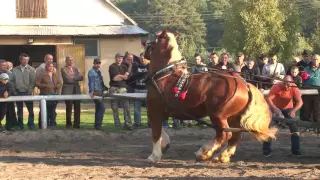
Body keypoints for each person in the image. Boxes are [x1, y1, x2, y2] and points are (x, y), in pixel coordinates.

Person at [262, 75, 303, 157]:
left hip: (289, 108)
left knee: (294, 128)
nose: (286, 86)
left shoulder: (294, 88)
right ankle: (266, 150)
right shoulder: (276, 86)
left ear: (292, 83)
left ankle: (296, 150)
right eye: (284, 83)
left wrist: (294, 110)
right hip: (277, 108)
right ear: (282, 82)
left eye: (288, 84)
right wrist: (274, 108)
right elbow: (269, 98)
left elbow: (300, 102)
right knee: (270, 127)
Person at [109, 53, 133, 130]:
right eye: (118, 58)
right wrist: (122, 76)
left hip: (123, 88)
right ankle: (117, 125)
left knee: (126, 107)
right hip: (114, 88)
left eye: (121, 58)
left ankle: (128, 123)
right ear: (115, 58)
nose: (119, 59)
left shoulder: (124, 66)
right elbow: (115, 78)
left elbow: (127, 77)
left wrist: (120, 76)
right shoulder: (112, 66)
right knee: (115, 108)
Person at [11, 53, 36, 129]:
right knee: (19, 110)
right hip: (18, 92)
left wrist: (30, 90)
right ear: (20, 60)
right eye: (24, 60)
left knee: (30, 110)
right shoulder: (14, 70)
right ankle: (20, 125)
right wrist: (14, 91)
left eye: (27, 60)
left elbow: (33, 82)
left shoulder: (31, 69)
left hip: (27, 92)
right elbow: (12, 82)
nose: (26, 61)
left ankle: (31, 124)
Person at [36, 62, 61, 128]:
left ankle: (52, 124)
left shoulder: (55, 75)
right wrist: (46, 86)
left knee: (53, 111)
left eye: (52, 66)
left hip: (54, 95)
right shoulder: (41, 75)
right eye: (49, 66)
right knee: (44, 111)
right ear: (46, 67)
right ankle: (43, 125)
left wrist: (56, 86)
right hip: (44, 95)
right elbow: (37, 84)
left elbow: (60, 83)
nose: (51, 68)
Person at [61, 56, 84, 129]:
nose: (70, 61)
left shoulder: (75, 68)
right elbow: (67, 79)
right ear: (66, 61)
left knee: (77, 107)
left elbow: (81, 77)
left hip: (76, 90)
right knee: (69, 108)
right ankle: (68, 124)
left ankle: (77, 124)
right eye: (69, 60)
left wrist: (73, 77)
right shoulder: (63, 69)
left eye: (72, 60)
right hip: (68, 91)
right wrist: (75, 77)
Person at [129, 53, 149, 127]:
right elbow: (131, 74)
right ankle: (137, 123)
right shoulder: (136, 66)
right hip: (137, 90)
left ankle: (150, 123)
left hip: (147, 91)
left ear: (146, 59)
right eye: (141, 58)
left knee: (149, 109)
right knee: (136, 109)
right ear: (139, 59)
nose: (142, 59)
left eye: (144, 58)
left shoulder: (149, 66)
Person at [88, 58, 108, 130]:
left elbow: (101, 83)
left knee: (98, 108)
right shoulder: (91, 72)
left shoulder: (99, 72)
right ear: (94, 63)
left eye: (99, 63)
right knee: (102, 108)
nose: (98, 65)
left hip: (100, 92)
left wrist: (106, 89)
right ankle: (98, 125)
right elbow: (91, 82)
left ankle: (97, 126)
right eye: (97, 63)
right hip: (95, 92)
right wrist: (91, 91)